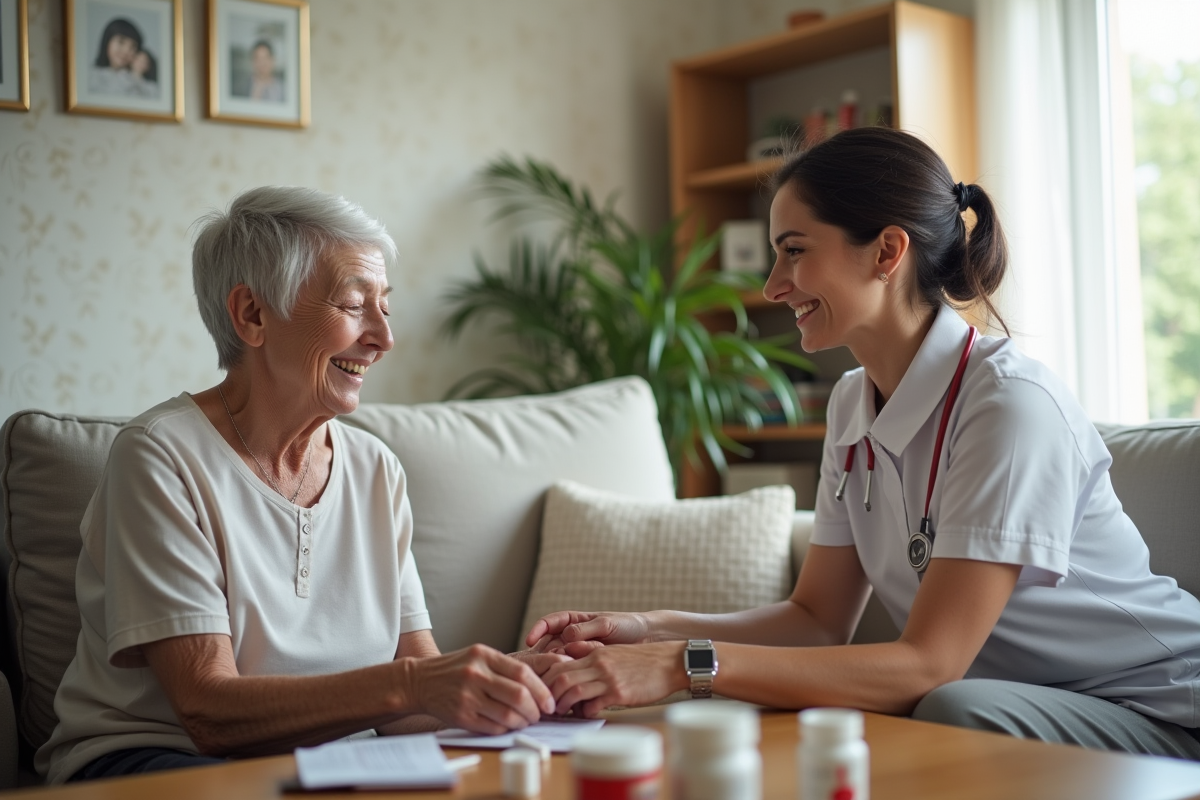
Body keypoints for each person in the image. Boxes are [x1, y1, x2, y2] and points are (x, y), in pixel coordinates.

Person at [527, 127, 1200, 760]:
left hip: (1160, 712)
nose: (772, 285)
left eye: (794, 251)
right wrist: (649, 631)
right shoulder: (852, 401)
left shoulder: (1009, 405)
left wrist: (684, 666)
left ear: (886, 252)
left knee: (949, 708)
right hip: (1028, 700)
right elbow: (816, 620)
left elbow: (929, 664)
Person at [37, 187, 564, 784]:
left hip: (335, 762)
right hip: (154, 763)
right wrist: (416, 685)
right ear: (252, 315)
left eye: (385, 307)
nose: (383, 338)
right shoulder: (161, 457)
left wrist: (528, 680)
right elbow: (208, 712)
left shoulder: (375, 470)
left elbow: (416, 698)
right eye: (352, 305)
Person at [89, 17, 158, 98]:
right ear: (107, 41)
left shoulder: (143, 85)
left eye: (133, 47)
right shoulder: (90, 76)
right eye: (121, 42)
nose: (126, 51)